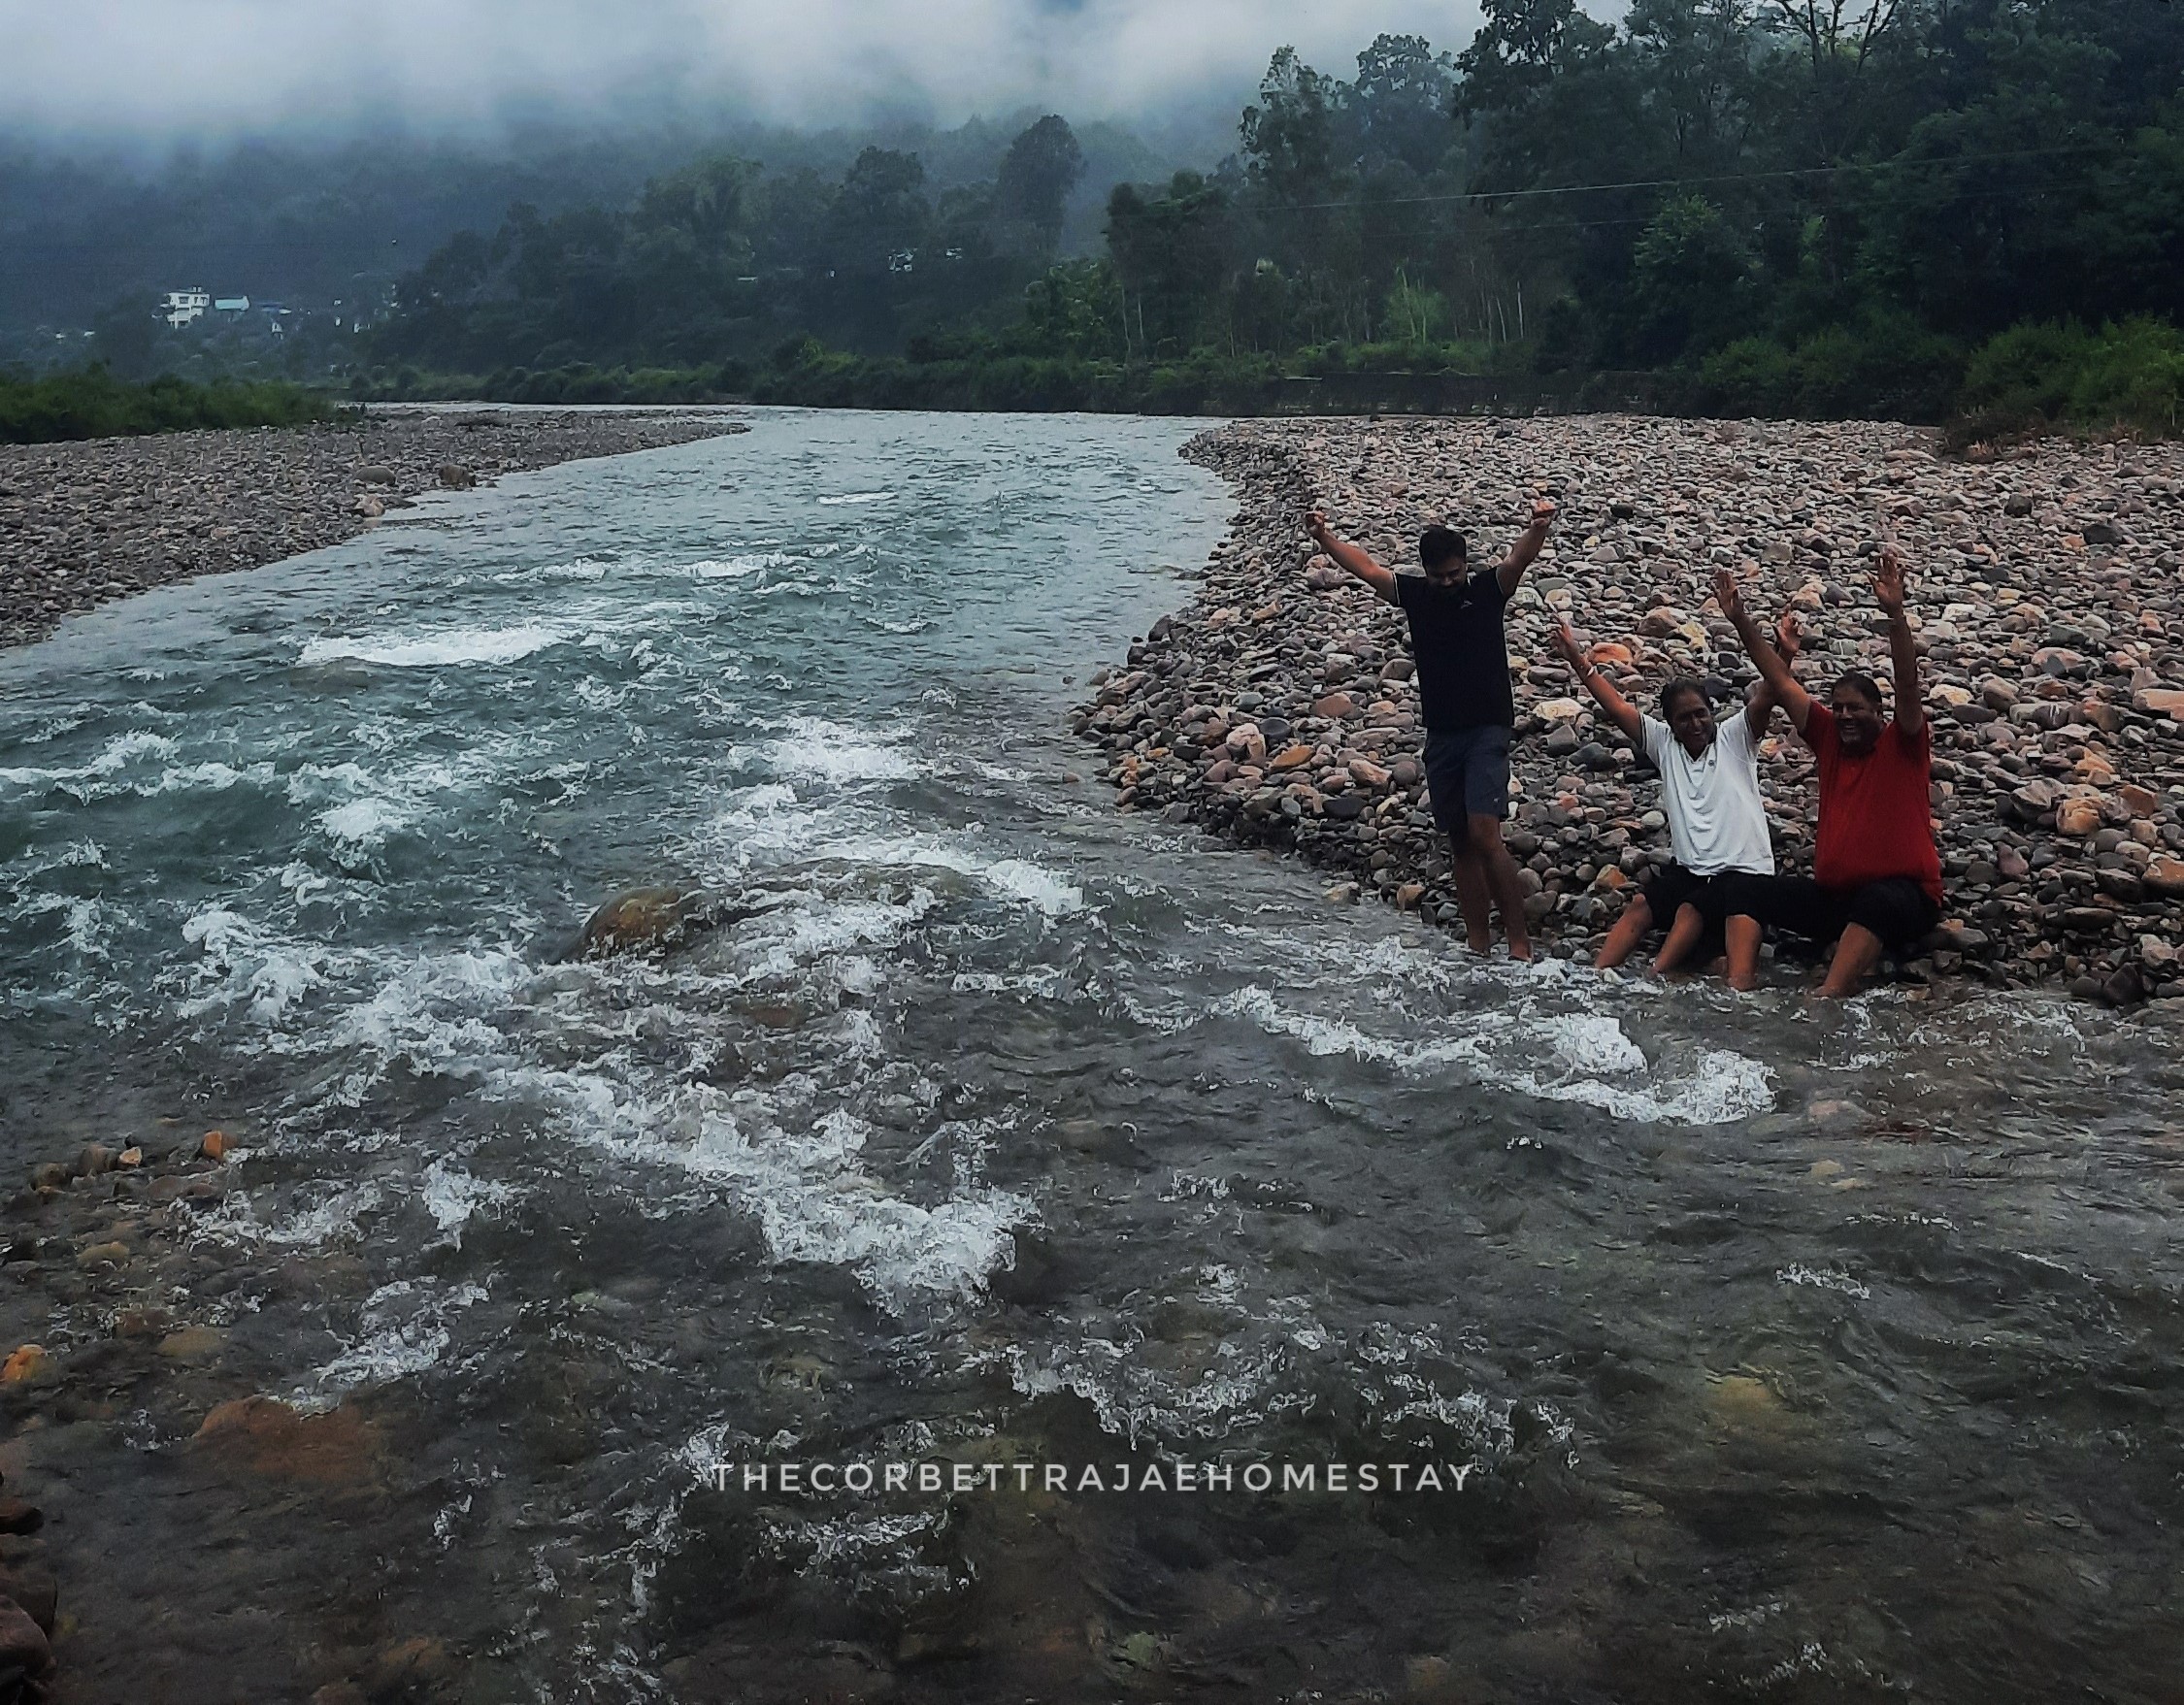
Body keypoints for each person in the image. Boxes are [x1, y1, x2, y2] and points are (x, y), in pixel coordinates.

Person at [1305, 497, 1558, 958]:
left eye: (1454, 574)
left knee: (1486, 833)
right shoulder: (1417, 597)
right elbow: (1368, 570)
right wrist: (1325, 538)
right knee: (1459, 840)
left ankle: (1519, 942)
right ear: (1426, 572)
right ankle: (1478, 943)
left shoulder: (1486, 589)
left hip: (1487, 727)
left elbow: (1519, 558)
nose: (1447, 582)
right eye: (1439, 575)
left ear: (1465, 566)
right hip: (1443, 734)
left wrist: (1538, 525)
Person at [1712, 548, 1943, 996]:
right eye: (1837, 708)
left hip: (1905, 898)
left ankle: (1827, 997)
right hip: (1837, 900)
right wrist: (1740, 619)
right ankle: (1739, 988)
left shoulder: (1905, 742)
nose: (1843, 716)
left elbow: (1908, 682)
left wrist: (1895, 614)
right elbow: (1779, 683)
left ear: (1878, 712)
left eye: (1855, 709)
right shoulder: (1828, 738)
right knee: (1743, 889)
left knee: (1878, 901)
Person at [1547, 612, 1788, 982]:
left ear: (1712, 712)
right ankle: (1594, 979)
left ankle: (1656, 976)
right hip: (1691, 872)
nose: (1695, 725)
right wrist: (1577, 659)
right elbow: (1617, 707)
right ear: (1670, 725)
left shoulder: (1734, 738)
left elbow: (1769, 694)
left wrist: (1783, 653)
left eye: (1701, 714)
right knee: (1643, 905)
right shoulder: (1664, 745)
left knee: (1696, 920)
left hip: (1743, 874)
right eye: (1684, 719)